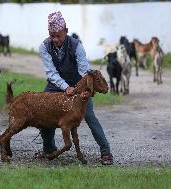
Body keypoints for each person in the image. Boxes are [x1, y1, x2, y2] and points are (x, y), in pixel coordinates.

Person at [37, 11, 113, 165]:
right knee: (43, 113)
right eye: (52, 35)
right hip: (55, 86)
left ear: (66, 30)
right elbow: (51, 73)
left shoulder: (77, 45)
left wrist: (87, 90)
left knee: (90, 116)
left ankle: (106, 152)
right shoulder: (44, 46)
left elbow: (84, 70)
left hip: (79, 85)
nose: (55, 39)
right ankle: (49, 148)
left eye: (59, 35)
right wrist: (65, 87)